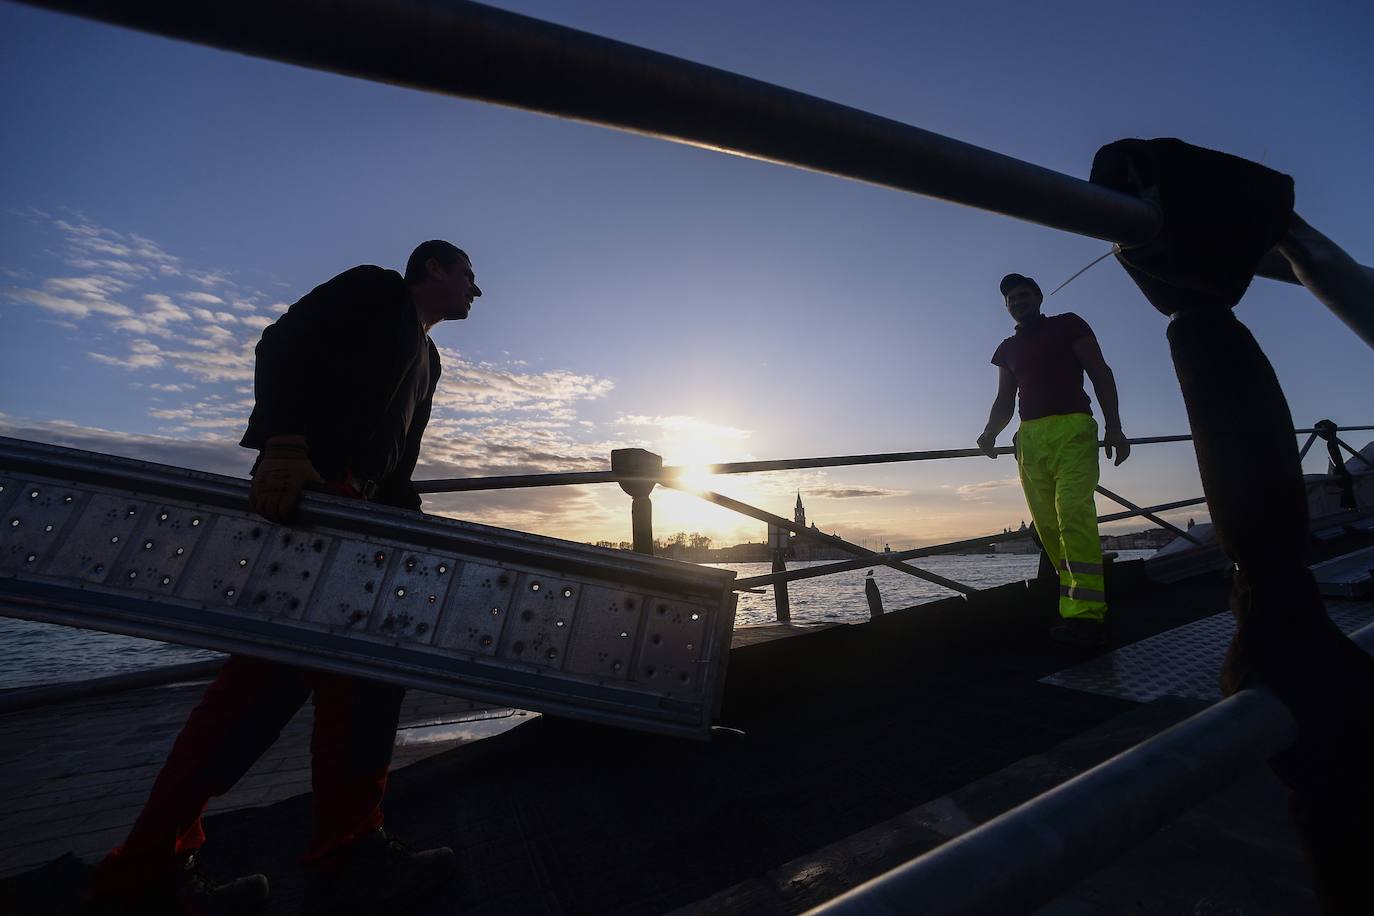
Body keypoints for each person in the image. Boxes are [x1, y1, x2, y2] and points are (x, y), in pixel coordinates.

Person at [85, 240, 482, 915]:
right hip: (310, 509)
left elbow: (397, 471)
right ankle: (343, 858)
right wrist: (287, 442)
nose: (478, 292)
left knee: (279, 690)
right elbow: (282, 341)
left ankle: (152, 866)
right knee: (301, 689)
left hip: (359, 530)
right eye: (471, 276)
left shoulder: (430, 361)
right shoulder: (374, 290)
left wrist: (407, 535)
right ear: (435, 268)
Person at [976, 273, 1129, 648]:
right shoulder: (1006, 349)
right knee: (1047, 527)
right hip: (1030, 439)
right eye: (1011, 297)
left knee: (1073, 514)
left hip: (1074, 429)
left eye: (1025, 294)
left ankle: (1088, 617)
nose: (1018, 301)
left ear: (1039, 298)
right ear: (1006, 305)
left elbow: (1100, 372)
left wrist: (1115, 427)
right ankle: (1074, 602)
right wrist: (989, 432)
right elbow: (1004, 399)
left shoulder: (1068, 324)